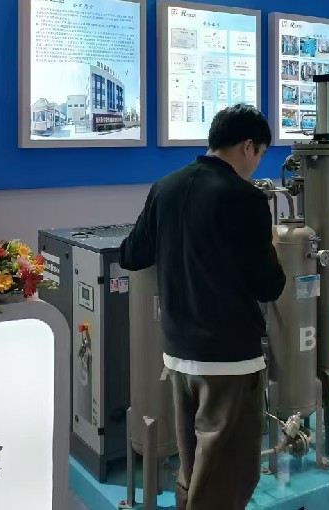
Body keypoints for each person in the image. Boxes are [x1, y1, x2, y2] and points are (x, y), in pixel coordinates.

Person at [119, 104, 287, 510]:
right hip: (230, 359)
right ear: (248, 146)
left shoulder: (166, 187)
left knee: (193, 467)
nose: (257, 163)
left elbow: (131, 254)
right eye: (261, 153)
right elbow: (269, 286)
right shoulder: (245, 198)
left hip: (178, 354)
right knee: (227, 474)